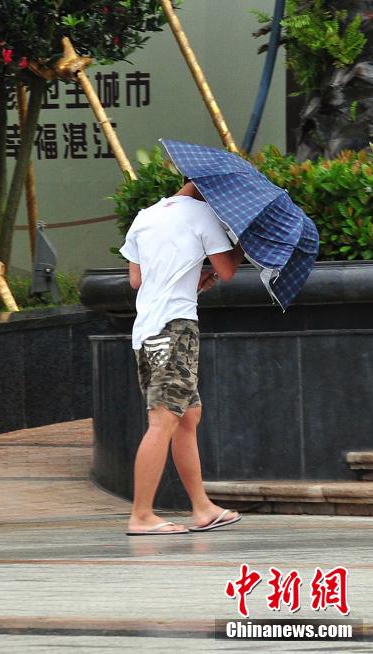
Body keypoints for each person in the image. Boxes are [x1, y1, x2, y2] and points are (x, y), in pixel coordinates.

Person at [119, 180, 245, 536]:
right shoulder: (203, 215)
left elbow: (136, 279)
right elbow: (227, 270)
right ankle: (141, 515)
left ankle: (202, 508)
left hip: (147, 330)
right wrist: (242, 244)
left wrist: (193, 276)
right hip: (176, 328)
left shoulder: (145, 216)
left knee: (188, 416)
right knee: (163, 420)